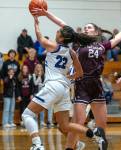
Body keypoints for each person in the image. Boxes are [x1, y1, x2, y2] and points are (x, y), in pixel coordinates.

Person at [32, 8, 121, 150]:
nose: (85, 28)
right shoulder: (78, 42)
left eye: (89, 27)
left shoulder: (102, 45)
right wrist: (46, 14)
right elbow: (62, 24)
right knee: (77, 121)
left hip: (97, 84)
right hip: (81, 84)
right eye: (84, 27)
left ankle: (101, 145)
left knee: (102, 126)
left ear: (96, 32)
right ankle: (69, 147)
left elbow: (117, 39)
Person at [22, 13, 109, 150]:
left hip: (53, 85)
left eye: (58, 31)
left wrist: (36, 22)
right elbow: (80, 73)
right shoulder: (72, 53)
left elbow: (39, 37)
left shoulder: (53, 46)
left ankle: (37, 144)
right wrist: (68, 78)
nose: (56, 32)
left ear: (61, 37)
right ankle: (94, 135)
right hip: (64, 89)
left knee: (27, 114)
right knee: (64, 125)